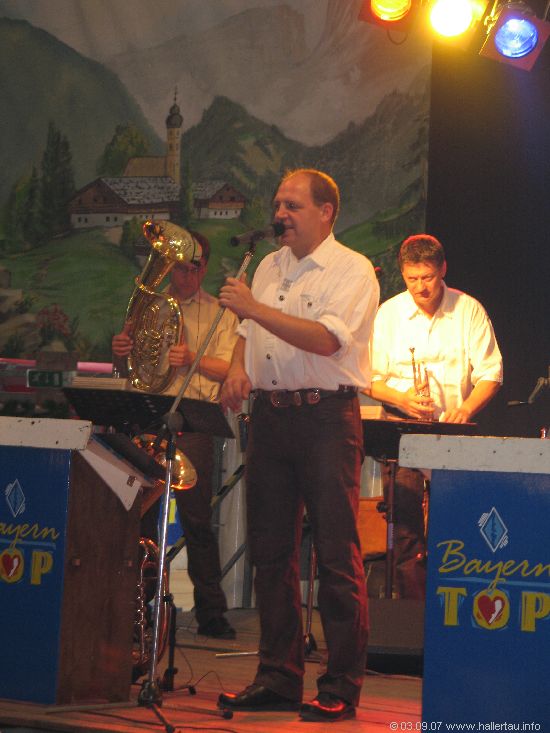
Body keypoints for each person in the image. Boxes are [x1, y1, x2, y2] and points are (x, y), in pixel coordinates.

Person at [217, 169, 379, 722]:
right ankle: (278, 676)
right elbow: (245, 335)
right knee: (270, 553)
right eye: (277, 204)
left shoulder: (351, 269)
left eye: (292, 205)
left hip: (326, 419)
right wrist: (236, 370)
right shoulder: (268, 265)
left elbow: (327, 340)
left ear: (326, 212)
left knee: (335, 555)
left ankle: (341, 684)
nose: (279, 214)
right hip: (271, 417)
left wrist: (254, 309)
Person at [112, 230, 239, 639]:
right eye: (180, 267)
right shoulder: (149, 307)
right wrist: (121, 353)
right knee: (142, 518)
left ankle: (211, 613)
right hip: (149, 416)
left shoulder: (220, 312)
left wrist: (193, 359)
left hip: (194, 421)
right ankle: (138, 612)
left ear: (205, 267)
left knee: (197, 519)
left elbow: (231, 369)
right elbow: (131, 370)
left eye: (194, 268)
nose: (186, 275)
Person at [367, 233, 503, 599]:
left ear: (442, 269)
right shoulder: (389, 313)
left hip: (451, 432)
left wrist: (466, 408)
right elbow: (368, 379)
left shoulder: (468, 310)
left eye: (427, 277)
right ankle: (412, 612)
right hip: (402, 431)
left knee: (455, 524)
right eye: (412, 279)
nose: (420, 287)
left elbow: (491, 373)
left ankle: (450, 606)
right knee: (404, 529)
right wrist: (403, 398)